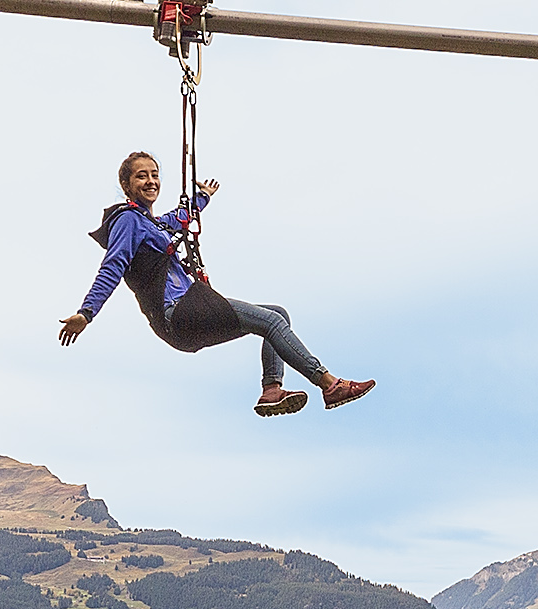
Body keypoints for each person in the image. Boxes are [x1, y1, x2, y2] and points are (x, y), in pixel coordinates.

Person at [60, 151, 374, 417]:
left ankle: (271, 390)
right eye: (141, 176)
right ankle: (329, 384)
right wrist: (87, 313)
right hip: (179, 314)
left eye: (154, 174)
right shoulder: (128, 221)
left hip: (186, 316)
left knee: (277, 313)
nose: (151, 181)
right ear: (126, 185)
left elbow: (178, 218)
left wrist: (202, 197)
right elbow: (113, 266)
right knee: (270, 321)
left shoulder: (150, 222)